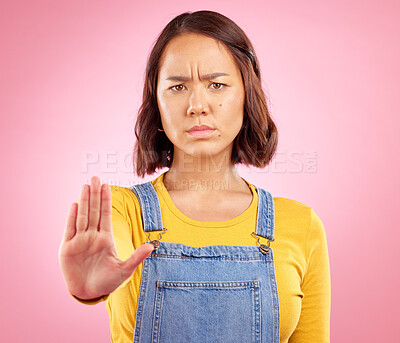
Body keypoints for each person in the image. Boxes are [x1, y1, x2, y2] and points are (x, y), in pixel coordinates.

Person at [59, 10, 331, 343]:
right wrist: (89, 289)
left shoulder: (301, 225)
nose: (197, 105)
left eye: (217, 85)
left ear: (247, 94)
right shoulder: (119, 211)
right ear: (157, 101)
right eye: (177, 87)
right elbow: (108, 254)